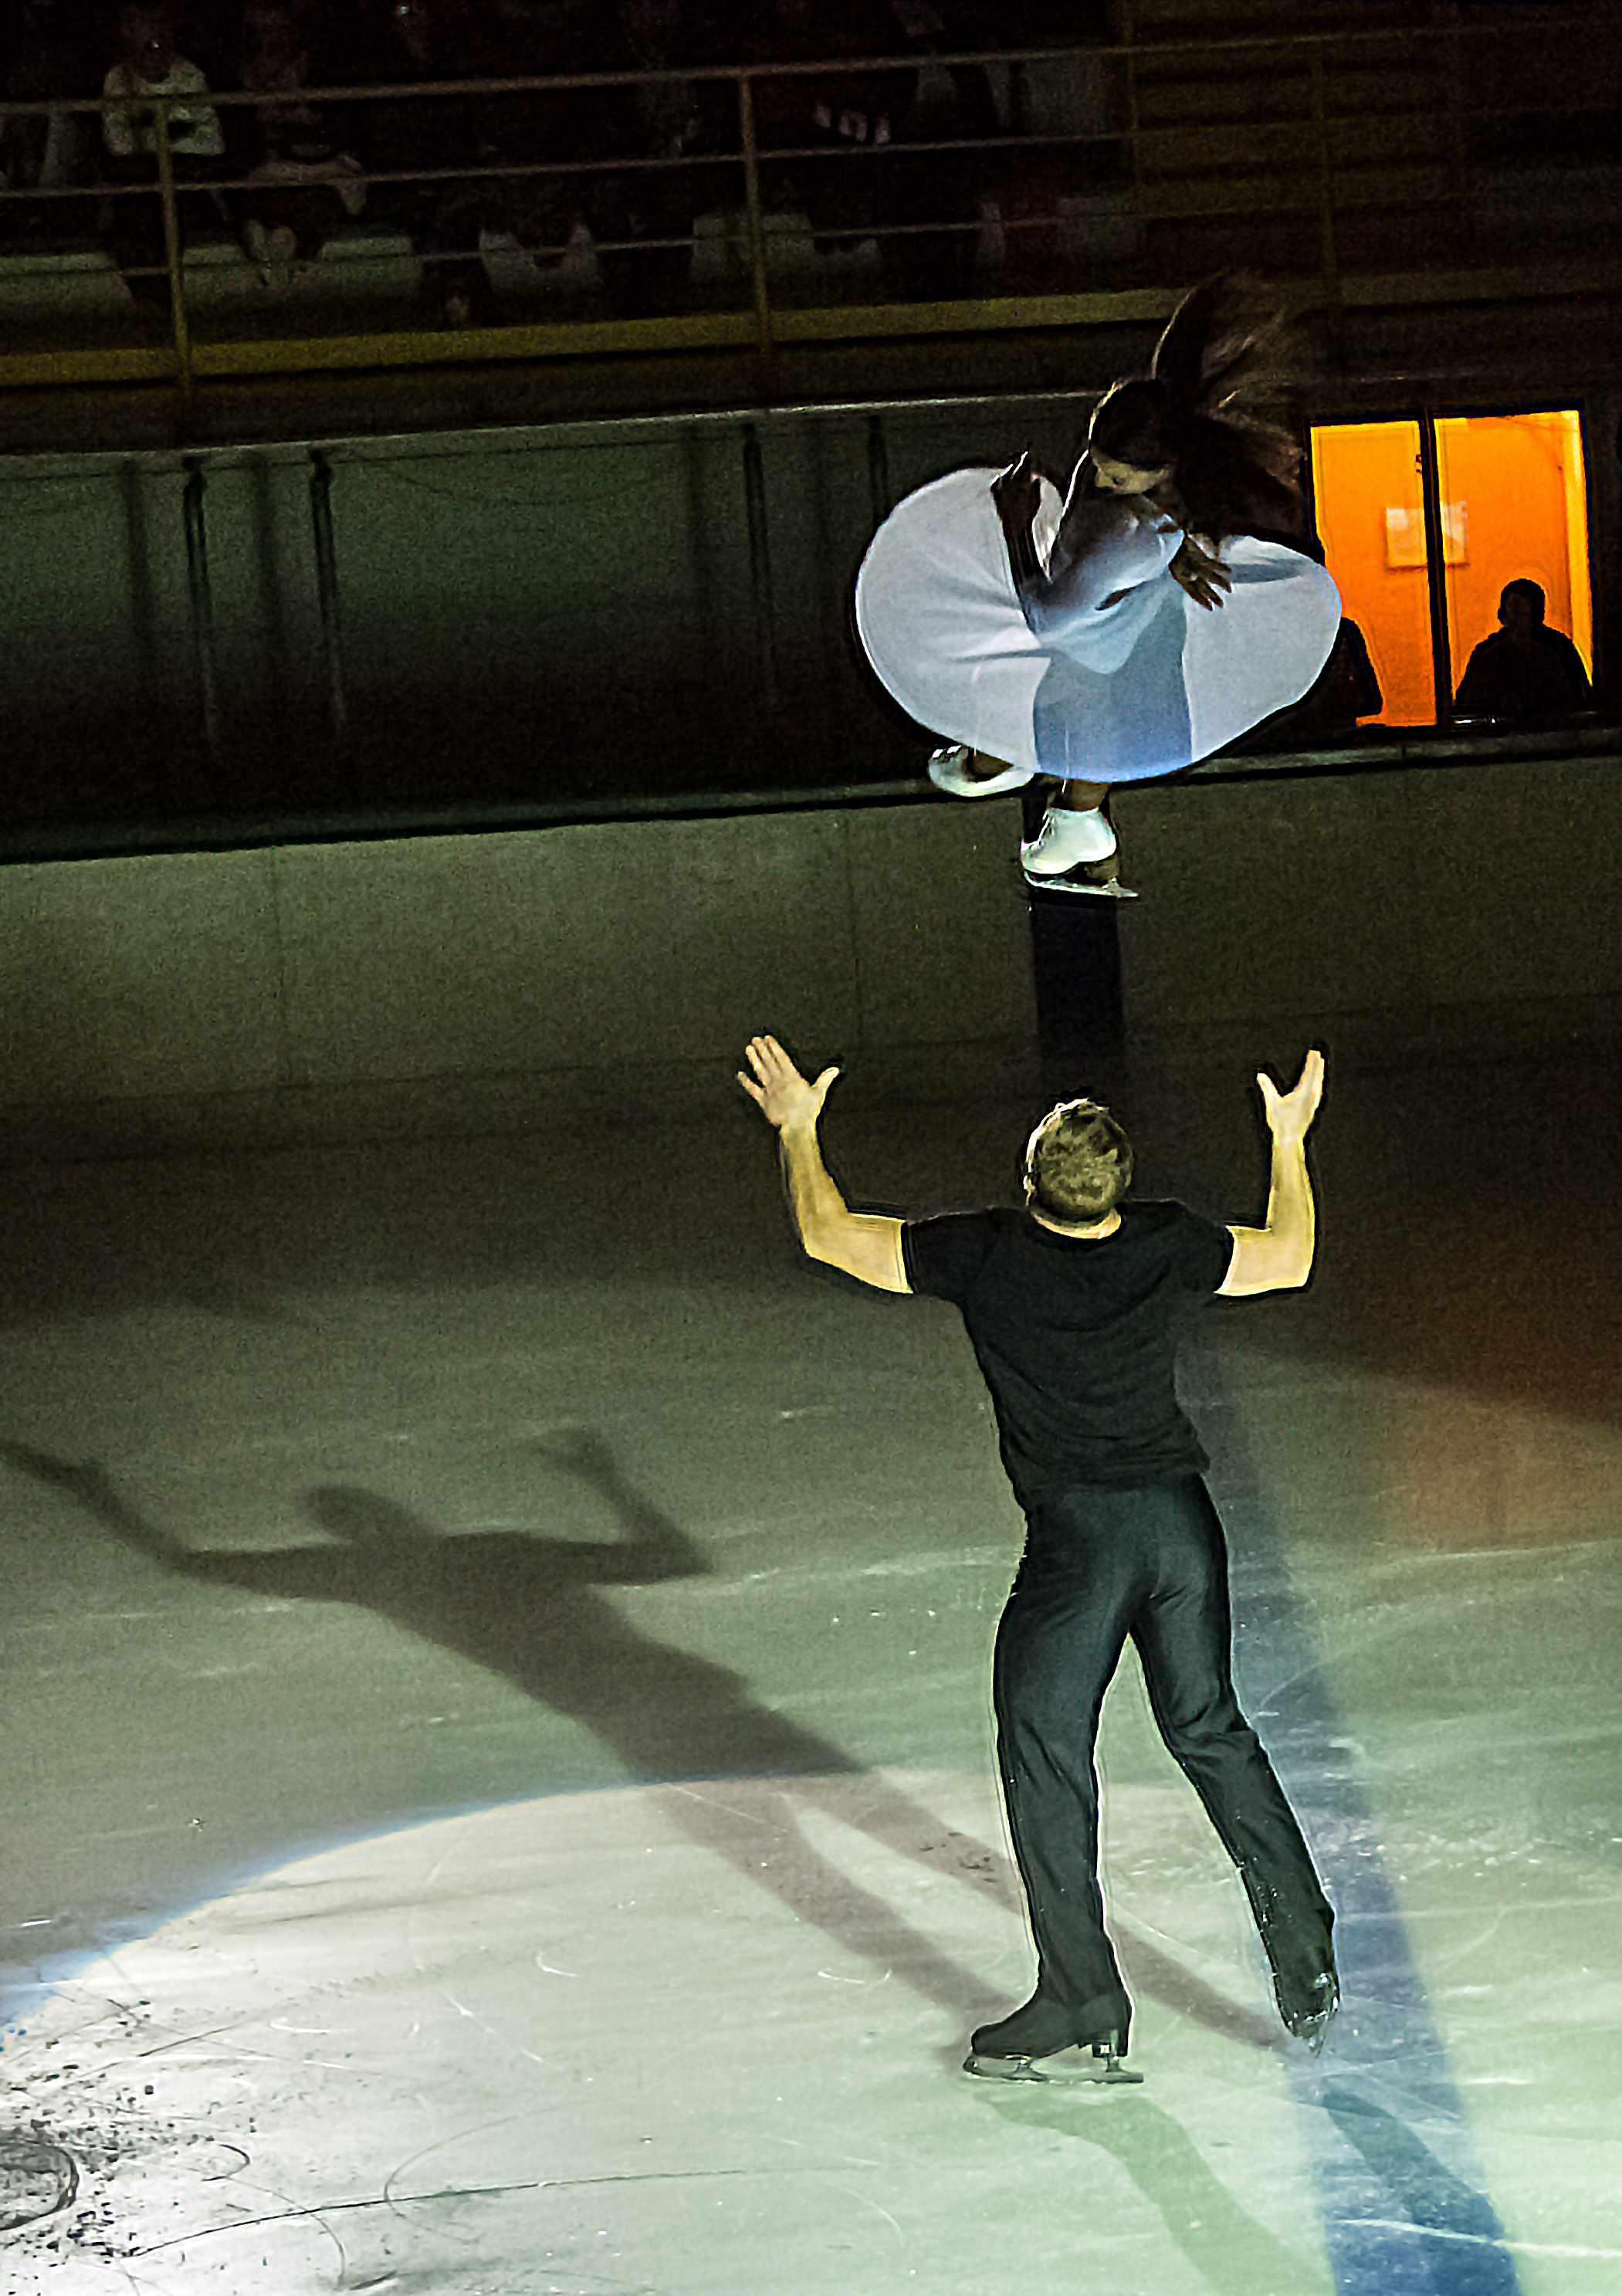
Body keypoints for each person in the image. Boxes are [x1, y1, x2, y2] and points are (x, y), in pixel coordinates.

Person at [737, 1029, 1339, 2084]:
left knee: (1047, 1752)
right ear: (1120, 1187)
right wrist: (1288, 1140)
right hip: (1180, 1525)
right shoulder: (1166, 1241)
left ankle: (1081, 1993)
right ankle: (1305, 1948)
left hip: (1081, 1549)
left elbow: (830, 1233)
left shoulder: (984, 1254)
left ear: (1027, 1185)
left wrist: (797, 1129)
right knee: (1210, 1727)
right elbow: (1289, 1255)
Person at [853, 276, 1342, 894]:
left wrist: (1013, 525)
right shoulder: (1150, 498)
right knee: (1076, 705)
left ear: (1163, 472)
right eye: (1098, 463)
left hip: (1088, 630)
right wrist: (1171, 553)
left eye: (1120, 479)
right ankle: (1051, 798)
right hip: (1116, 618)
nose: (1100, 481)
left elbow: (1046, 620)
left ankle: (1023, 778)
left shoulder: (1133, 530)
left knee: (1051, 675)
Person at [1454, 578, 1593, 720]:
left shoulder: (1560, 648)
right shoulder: (1489, 654)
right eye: (1516, 610)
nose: (1520, 619)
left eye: (1524, 611)